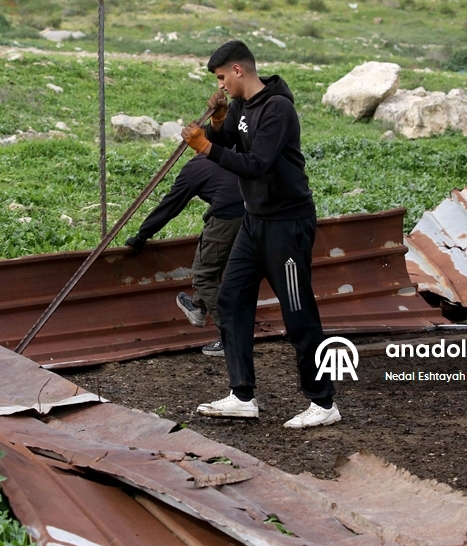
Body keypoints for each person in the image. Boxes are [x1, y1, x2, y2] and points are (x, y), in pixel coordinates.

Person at [180, 40, 340, 429]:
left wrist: (203, 147)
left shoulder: (277, 108)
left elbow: (254, 164)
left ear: (238, 70)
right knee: (232, 299)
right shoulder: (241, 106)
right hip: (255, 222)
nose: (221, 87)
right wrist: (217, 123)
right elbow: (231, 141)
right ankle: (241, 396)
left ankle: (323, 402)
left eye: (222, 78)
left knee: (297, 312)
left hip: (287, 224)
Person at [125, 153, 244, 356]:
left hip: (228, 216)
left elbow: (170, 206)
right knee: (218, 265)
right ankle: (198, 306)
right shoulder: (231, 152)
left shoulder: (194, 168)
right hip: (256, 211)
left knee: (204, 275)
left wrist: (141, 236)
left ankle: (231, 340)